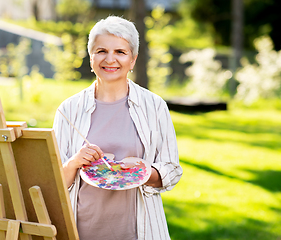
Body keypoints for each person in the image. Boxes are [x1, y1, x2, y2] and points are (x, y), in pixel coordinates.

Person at [53, 16, 183, 240]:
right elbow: (52, 183)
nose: (110, 59)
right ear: (91, 57)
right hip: (82, 229)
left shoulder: (154, 106)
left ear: (132, 60)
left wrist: (142, 172)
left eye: (120, 52)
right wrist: (74, 162)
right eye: (101, 50)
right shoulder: (68, 109)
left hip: (139, 230)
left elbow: (172, 169)